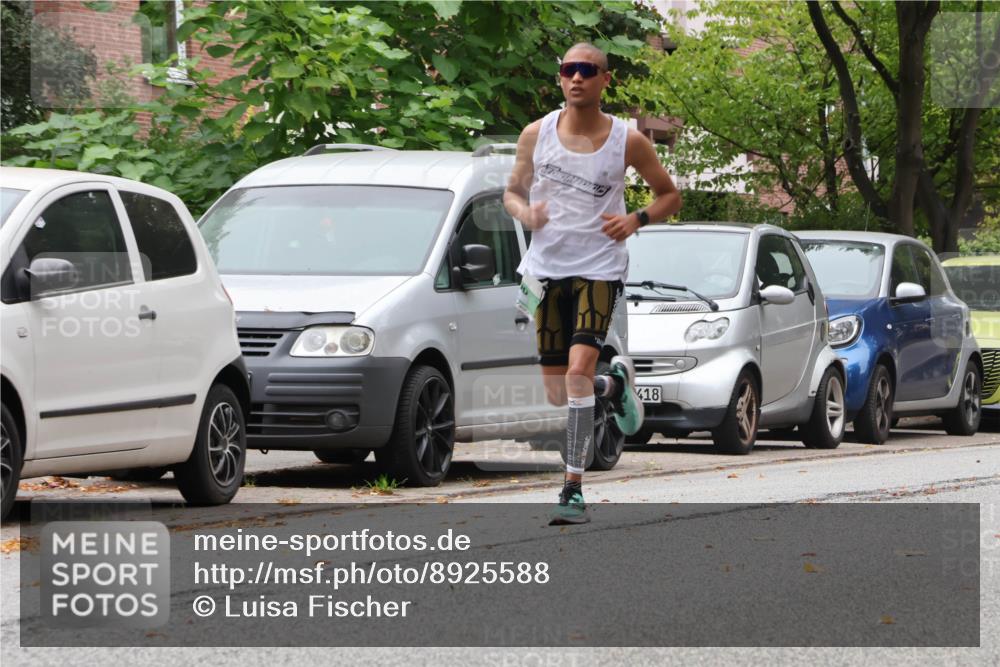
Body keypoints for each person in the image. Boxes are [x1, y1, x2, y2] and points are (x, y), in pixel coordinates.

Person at [503, 42, 682, 525]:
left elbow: (670, 195)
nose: (576, 77)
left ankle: (573, 490)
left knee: (576, 375)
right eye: (568, 69)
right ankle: (614, 383)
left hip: (600, 268)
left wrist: (636, 219)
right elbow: (512, 194)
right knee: (559, 391)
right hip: (546, 270)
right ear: (560, 78)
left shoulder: (628, 140)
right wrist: (526, 212)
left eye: (587, 70)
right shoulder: (535, 134)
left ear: (606, 80)